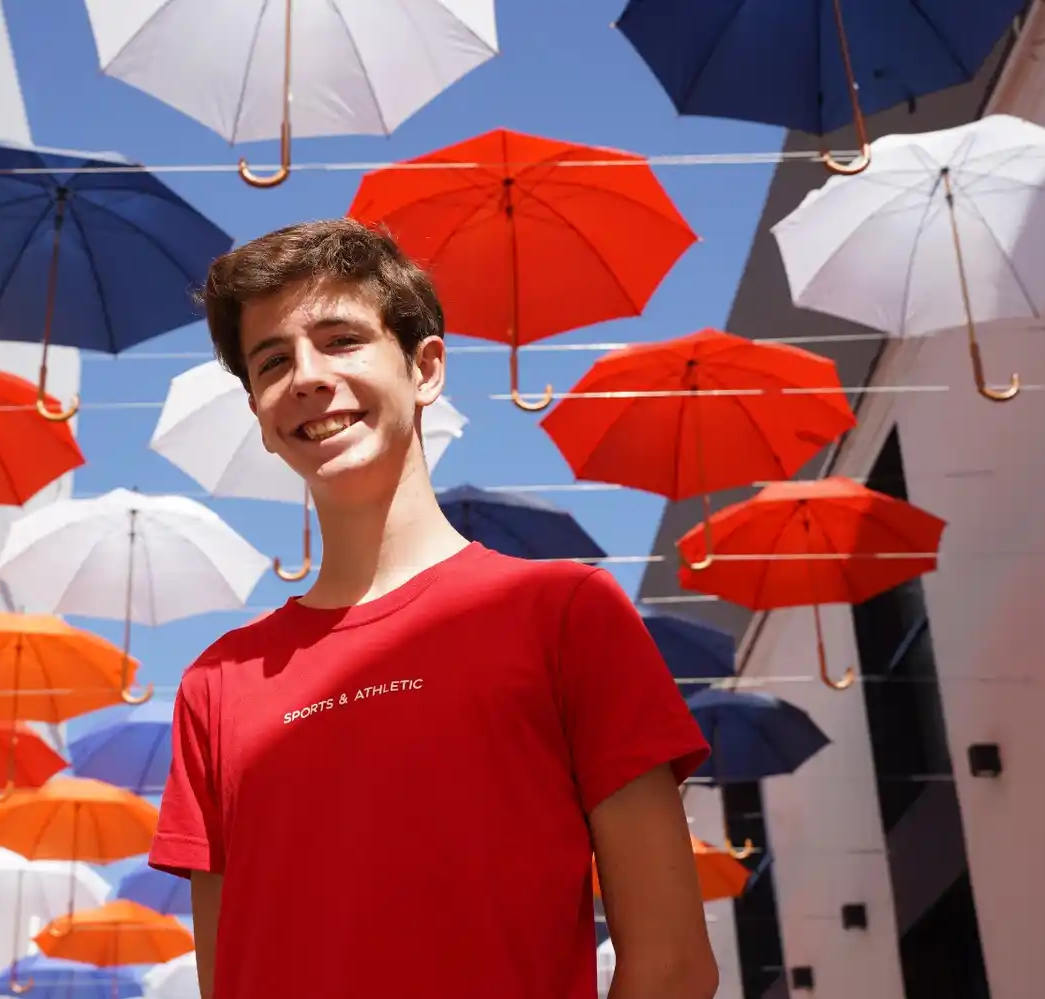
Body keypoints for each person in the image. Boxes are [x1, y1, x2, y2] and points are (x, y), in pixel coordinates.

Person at [149, 218, 718, 999]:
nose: (308, 376)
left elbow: (673, 965)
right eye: (274, 361)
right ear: (261, 417)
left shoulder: (565, 614)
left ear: (425, 368)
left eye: (342, 341)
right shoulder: (216, 683)